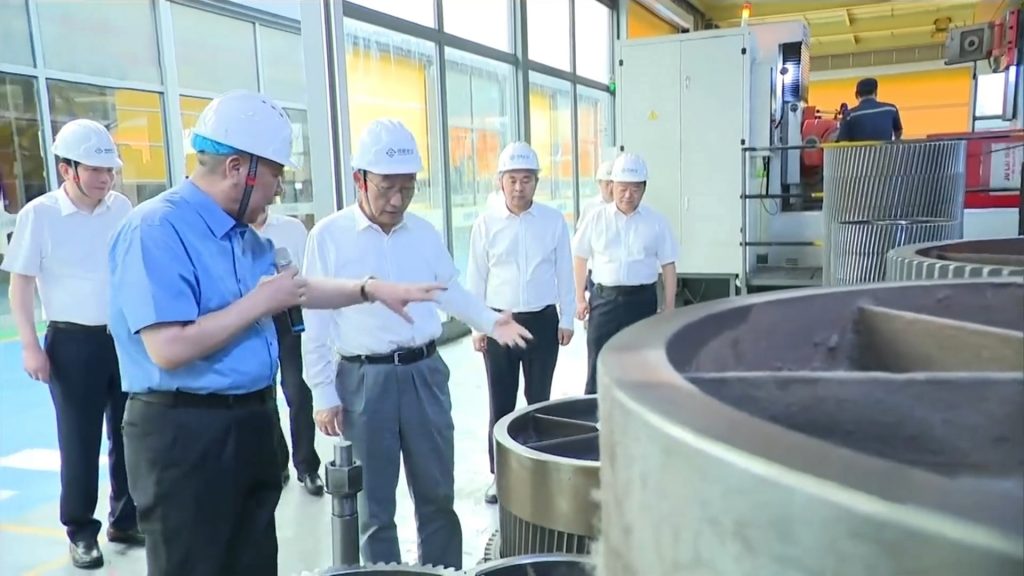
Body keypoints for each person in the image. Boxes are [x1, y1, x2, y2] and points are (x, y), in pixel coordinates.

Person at [107, 91, 445, 576]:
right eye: (274, 175)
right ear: (237, 168)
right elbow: (167, 346)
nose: (279, 190)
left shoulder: (243, 236)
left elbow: (297, 290)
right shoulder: (156, 229)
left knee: (255, 560)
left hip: (250, 422)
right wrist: (259, 303)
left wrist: (369, 289)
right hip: (185, 434)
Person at [301, 119, 533, 570]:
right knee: (374, 506)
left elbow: (449, 291)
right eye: (387, 188)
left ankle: (442, 571)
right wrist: (323, 393)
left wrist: (489, 320)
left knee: (437, 496)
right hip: (363, 380)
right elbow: (316, 321)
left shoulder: (423, 233)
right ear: (359, 180)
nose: (397, 200)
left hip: (425, 374)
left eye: (407, 188)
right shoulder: (328, 237)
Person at [1, 119, 142, 569]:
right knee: (79, 442)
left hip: (121, 339)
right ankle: (81, 531)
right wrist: (30, 346)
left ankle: (126, 519)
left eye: (110, 169)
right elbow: (21, 285)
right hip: (71, 343)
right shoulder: (39, 215)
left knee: (129, 433)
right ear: (67, 170)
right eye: (95, 169)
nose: (105, 178)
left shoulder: (121, 207)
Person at [466, 141, 575, 505]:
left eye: (526, 179)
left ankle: (537, 471)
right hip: (499, 322)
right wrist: (477, 326)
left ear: (536, 183)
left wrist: (567, 318)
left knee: (538, 401)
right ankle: (501, 476)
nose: (518, 187)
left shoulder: (552, 221)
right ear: (500, 181)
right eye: (512, 179)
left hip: (542, 320)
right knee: (501, 401)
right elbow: (476, 277)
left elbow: (565, 271)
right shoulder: (486, 224)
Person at [572, 152, 678, 396]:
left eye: (635, 189)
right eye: (623, 188)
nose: (628, 195)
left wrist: (669, 306)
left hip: (641, 302)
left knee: (640, 368)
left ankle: (636, 415)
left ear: (644, 189)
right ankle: (595, 416)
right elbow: (579, 256)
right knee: (598, 366)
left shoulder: (656, 222)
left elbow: (668, 266)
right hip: (604, 301)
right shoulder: (596, 218)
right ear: (612, 186)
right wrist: (579, 298)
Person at [252, 206, 323, 496]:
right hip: (253, 320)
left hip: (289, 318)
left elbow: (309, 276)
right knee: (263, 394)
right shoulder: (233, 234)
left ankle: (307, 467)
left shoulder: (291, 229)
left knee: (297, 391)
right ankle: (277, 463)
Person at [577, 159, 614, 298]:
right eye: (607, 184)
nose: (611, 188)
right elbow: (580, 244)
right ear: (599, 184)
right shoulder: (590, 207)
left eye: (613, 183)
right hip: (596, 271)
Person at [835, 77, 903, 142]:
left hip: (860, 150)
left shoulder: (849, 115)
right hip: (885, 150)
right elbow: (898, 131)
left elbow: (842, 141)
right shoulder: (891, 109)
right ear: (875, 93)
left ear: (856, 95)